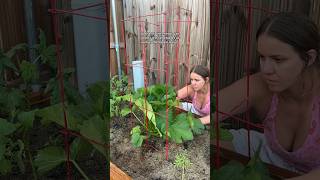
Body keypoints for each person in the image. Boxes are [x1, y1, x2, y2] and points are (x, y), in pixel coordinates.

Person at [215, 13, 320, 179]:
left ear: (309, 58)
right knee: (207, 141)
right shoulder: (261, 84)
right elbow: (209, 109)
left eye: (278, 60)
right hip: (272, 155)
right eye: (262, 57)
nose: (266, 69)